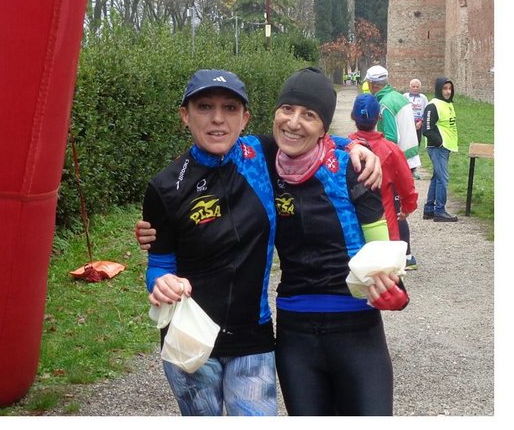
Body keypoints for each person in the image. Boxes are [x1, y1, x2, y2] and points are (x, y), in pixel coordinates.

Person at [139, 68, 404, 416]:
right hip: (191, 337)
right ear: (185, 115)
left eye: (230, 108)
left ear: (245, 118)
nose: (217, 119)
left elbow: (312, 140)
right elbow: (159, 264)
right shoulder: (167, 186)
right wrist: (160, 281)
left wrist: (357, 145)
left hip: (256, 341)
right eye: (204, 107)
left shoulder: (259, 155)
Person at [265, 68, 408, 416]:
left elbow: (381, 251)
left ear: (323, 128)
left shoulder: (353, 167)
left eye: (309, 115)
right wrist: (159, 223)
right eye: (287, 109)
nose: (293, 122)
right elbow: (212, 154)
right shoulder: (264, 161)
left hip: (356, 329)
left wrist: (395, 290)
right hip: (296, 334)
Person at [349, 94, 419, 270]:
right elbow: (407, 185)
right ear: (379, 117)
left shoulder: (345, 149)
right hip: (384, 222)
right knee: (385, 275)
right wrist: (407, 207)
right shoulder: (391, 150)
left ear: (352, 116)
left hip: (350, 222)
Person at [365, 65, 419, 267]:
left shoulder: (384, 104)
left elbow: (390, 138)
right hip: (409, 158)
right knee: (399, 208)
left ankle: (406, 256)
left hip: (397, 161)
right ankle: (404, 254)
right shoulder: (398, 97)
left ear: (372, 84)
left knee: (396, 212)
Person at [422, 77, 459, 222]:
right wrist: (440, 143)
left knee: (437, 177)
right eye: (444, 88)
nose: (448, 91)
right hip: (437, 148)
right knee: (443, 179)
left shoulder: (447, 104)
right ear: (439, 89)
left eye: (450, 88)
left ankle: (429, 209)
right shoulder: (433, 105)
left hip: (445, 147)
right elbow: (427, 129)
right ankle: (440, 211)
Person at [403, 78, 428, 148]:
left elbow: (426, 110)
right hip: (407, 122)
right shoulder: (405, 96)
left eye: (417, 87)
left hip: (418, 123)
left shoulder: (423, 98)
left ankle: (416, 152)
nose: (415, 88)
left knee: (417, 141)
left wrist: (421, 121)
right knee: (407, 141)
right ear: (410, 87)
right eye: (413, 86)